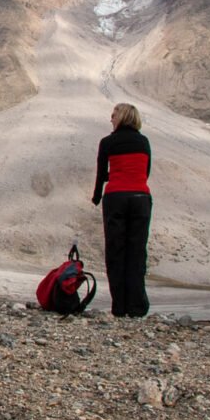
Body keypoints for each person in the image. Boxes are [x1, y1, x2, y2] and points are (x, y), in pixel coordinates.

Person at [92, 102, 152, 318]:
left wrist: (97, 196)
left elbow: (101, 173)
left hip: (116, 197)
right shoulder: (143, 142)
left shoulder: (107, 142)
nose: (111, 118)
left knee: (116, 251)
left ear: (123, 117)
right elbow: (146, 171)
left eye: (114, 114)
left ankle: (119, 306)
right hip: (140, 198)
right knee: (136, 251)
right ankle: (137, 306)